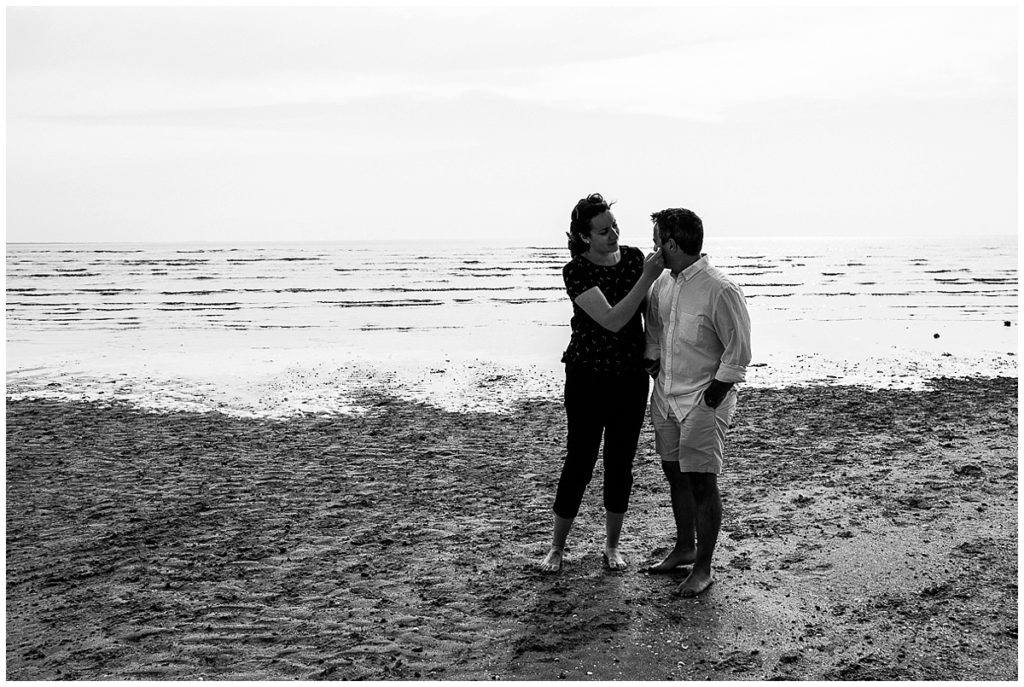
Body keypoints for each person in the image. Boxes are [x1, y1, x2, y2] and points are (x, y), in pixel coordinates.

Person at [538, 193, 665, 572]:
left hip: (629, 378)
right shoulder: (576, 270)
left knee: (620, 463)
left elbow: (649, 315)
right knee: (579, 459)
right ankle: (557, 547)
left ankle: (611, 546)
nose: (613, 234)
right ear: (583, 236)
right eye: (603, 230)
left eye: (614, 226)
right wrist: (646, 277)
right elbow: (611, 320)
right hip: (587, 376)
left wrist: (653, 352)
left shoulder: (633, 257)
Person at [642, 207, 751, 597]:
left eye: (657, 241)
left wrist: (715, 393)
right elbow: (654, 329)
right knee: (675, 473)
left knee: (702, 482)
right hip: (666, 396)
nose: (653, 248)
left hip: (704, 400)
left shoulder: (720, 288)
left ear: (671, 243)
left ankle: (703, 567)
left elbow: (738, 350)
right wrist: (653, 360)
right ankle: (684, 547)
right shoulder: (662, 285)